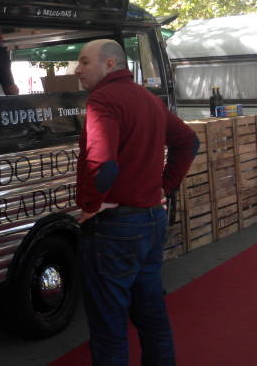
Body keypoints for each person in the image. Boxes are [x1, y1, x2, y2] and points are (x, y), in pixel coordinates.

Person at [74, 39, 198, 366]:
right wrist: (164, 188)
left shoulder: (103, 99)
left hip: (115, 228)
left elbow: (102, 165)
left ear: (110, 64)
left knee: (109, 327)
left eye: (84, 61)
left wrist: (90, 205)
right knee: (152, 315)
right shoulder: (149, 99)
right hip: (151, 221)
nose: (77, 69)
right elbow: (189, 142)